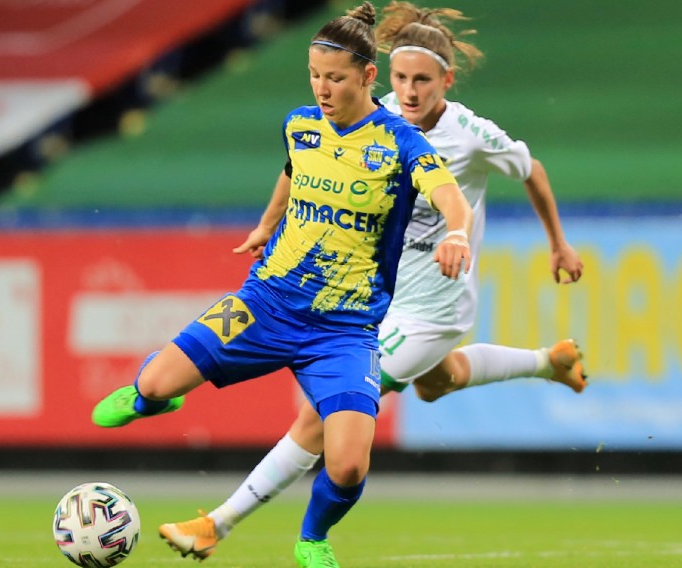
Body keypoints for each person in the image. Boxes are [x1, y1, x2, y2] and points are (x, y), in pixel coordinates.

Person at [153, 1, 588, 563]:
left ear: (446, 81)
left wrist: (557, 242)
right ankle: (548, 361)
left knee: (317, 420)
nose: (409, 91)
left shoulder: (471, 133)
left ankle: (218, 523)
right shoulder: (371, 118)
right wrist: (269, 222)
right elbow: (302, 161)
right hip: (371, 299)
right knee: (437, 381)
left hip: (431, 306)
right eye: (402, 77)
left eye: (423, 81)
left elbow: (533, 171)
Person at [89, 3, 474, 567]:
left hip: (344, 330)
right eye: (315, 76)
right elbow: (293, 172)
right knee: (153, 382)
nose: (322, 88)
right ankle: (154, 397)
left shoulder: (399, 142)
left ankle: (312, 538)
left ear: (369, 77)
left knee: (347, 464)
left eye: (335, 78)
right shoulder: (301, 125)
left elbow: (448, 195)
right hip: (265, 302)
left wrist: (458, 233)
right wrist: (268, 223)